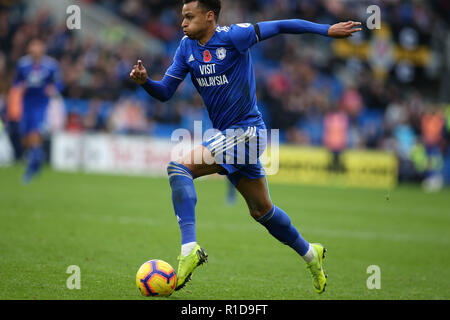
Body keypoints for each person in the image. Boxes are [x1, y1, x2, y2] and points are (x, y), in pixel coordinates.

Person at [130, 0, 361, 294]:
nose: (183, 23)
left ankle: (189, 249)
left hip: (248, 132)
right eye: (182, 17)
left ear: (209, 16)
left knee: (179, 167)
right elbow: (164, 92)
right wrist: (145, 81)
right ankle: (310, 253)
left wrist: (326, 29)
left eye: (189, 17)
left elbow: (280, 25)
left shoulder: (233, 36)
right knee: (262, 211)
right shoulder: (186, 49)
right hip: (229, 135)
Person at [12, 38, 63, 183]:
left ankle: (32, 168)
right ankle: (36, 162)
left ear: (42, 49)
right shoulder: (22, 65)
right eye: (33, 46)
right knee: (26, 137)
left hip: (42, 104)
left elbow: (59, 83)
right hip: (26, 103)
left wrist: (53, 89)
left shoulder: (51, 66)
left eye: (38, 46)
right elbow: (16, 81)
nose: (35, 49)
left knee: (35, 132)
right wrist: (19, 86)